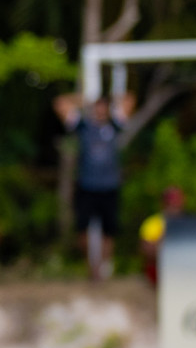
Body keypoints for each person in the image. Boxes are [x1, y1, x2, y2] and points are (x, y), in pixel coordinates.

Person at [54, 92, 135, 280]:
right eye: (97, 106)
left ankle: (104, 268)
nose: (99, 110)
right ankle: (91, 268)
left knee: (109, 230)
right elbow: (60, 102)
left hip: (109, 187)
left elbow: (130, 100)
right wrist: (83, 99)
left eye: (102, 106)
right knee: (82, 228)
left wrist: (113, 99)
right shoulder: (82, 126)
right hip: (87, 186)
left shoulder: (115, 126)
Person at [138, 186, 186, 286]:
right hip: (159, 273)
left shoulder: (188, 224)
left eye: (176, 204)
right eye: (170, 204)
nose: (173, 208)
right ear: (163, 204)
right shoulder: (152, 223)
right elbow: (147, 252)